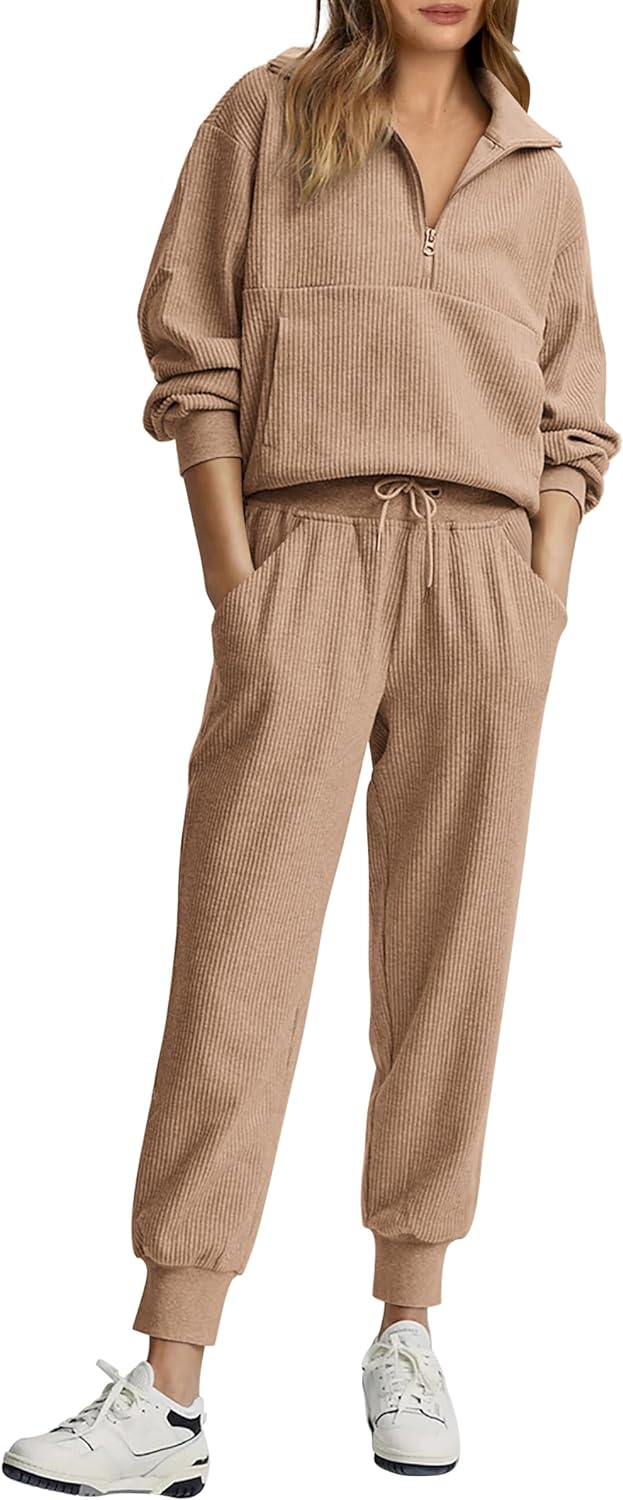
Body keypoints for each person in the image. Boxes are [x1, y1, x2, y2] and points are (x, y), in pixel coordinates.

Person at [4, 0, 620, 1488]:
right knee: (241, 952)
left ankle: (409, 1322)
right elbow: (193, 346)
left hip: (485, 585)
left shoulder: (540, 173)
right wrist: (240, 585)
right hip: (311, 559)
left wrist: (538, 602)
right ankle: (171, 1383)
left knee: (450, 963)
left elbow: (575, 421)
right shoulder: (268, 115)